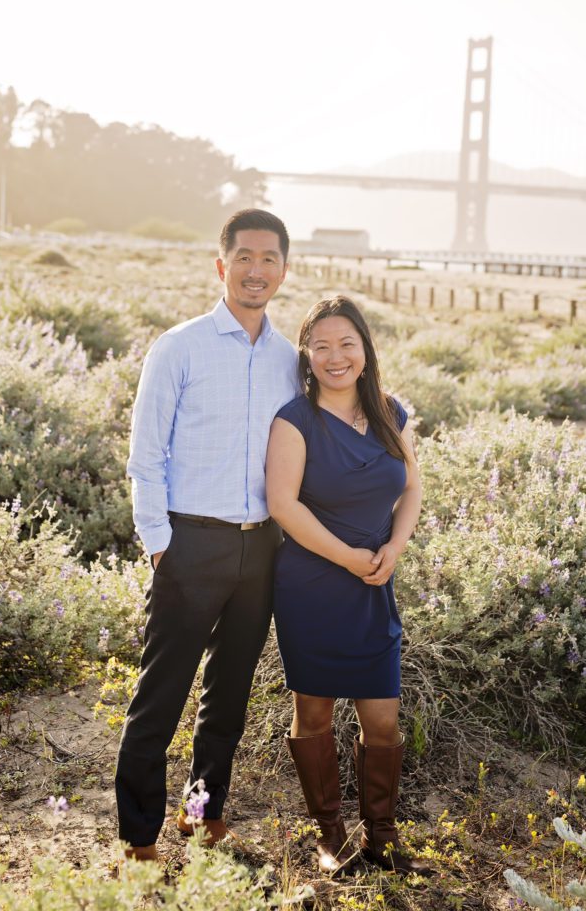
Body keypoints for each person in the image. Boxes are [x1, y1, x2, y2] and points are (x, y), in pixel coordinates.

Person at [115, 208, 298, 862]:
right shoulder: (179, 347)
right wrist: (158, 542)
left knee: (228, 696)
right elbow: (145, 455)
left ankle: (202, 813)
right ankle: (139, 837)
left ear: (283, 270)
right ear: (223, 266)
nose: (256, 270)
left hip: (262, 546)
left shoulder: (289, 359)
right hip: (189, 544)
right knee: (161, 695)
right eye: (244, 257)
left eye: (269, 258)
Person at [266, 295, 432, 877]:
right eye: (321, 346)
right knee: (312, 714)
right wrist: (348, 557)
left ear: (365, 350)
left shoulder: (389, 412)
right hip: (312, 586)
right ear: (306, 355)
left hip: (373, 584)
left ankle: (382, 836)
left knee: (382, 719)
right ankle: (330, 836)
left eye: (346, 344)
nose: (335, 357)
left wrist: (394, 548)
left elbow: (412, 487)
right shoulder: (294, 420)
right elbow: (283, 505)